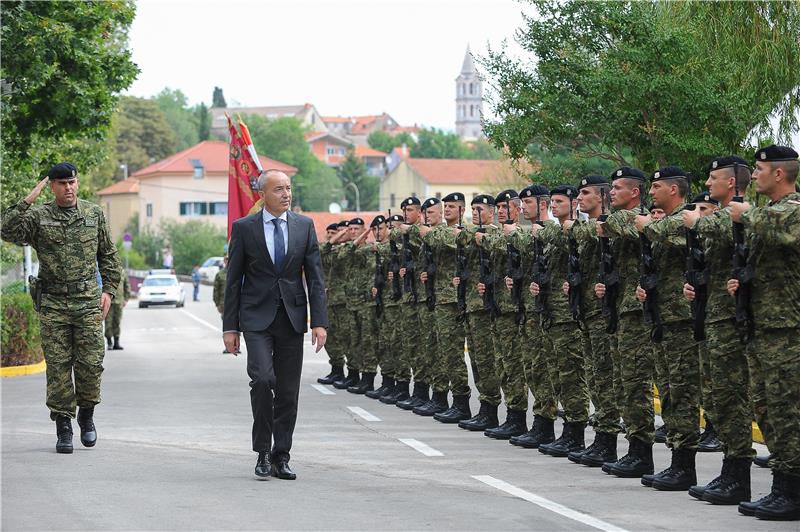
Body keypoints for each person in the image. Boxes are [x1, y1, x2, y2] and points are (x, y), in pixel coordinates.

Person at [1, 163, 122, 453]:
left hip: (87, 301)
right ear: (52, 186)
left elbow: (109, 256)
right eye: (62, 183)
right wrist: (27, 200)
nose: (68, 188)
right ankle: (63, 425)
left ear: (77, 183)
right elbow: (6, 230)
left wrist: (108, 291)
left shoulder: (93, 214)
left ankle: (87, 415)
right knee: (57, 367)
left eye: (72, 182)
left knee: (91, 364)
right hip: (53, 303)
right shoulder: (39, 217)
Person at [223, 169, 328, 480]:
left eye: (289, 188)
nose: (286, 194)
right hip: (255, 317)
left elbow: (316, 278)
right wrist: (231, 327)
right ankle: (262, 451)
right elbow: (233, 281)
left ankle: (282, 455)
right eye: (279, 189)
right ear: (263, 195)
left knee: (287, 392)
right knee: (263, 380)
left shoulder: (304, 227)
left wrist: (319, 322)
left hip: (292, 319)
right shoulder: (244, 228)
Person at [728, 145, 800, 520]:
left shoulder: (793, 211)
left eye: (758, 169)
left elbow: (787, 234)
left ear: (779, 174)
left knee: (788, 411)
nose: (753, 176)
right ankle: (782, 485)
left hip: (787, 329)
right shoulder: (764, 215)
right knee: (766, 409)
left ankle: (792, 489)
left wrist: (748, 216)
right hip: (760, 325)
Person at [635, 166, 701, 491]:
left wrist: (649, 226)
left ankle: (685, 465)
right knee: (669, 392)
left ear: (673, 190)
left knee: (682, 392)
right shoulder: (664, 224)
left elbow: (670, 231)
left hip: (682, 321)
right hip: (663, 318)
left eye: (656, 186)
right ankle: (677, 461)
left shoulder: (686, 220)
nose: (651, 193)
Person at [104, 270, 130, 350]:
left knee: (117, 322)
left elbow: (126, 286)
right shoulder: (106, 271)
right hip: (109, 302)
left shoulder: (122, 272)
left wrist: (126, 298)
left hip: (119, 301)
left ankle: (116, 342)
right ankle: (109, 342)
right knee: (108, 322)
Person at [213, 255, 229, 354]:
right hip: (224, 304)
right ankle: (228, 347)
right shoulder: (220, 274)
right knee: (227, 326)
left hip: (239, 304)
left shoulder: (238, 272)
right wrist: (217, 304)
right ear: (224, 261)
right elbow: (216, 290)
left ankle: (236, 346)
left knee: (239, 326)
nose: (228, 261)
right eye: (226, 260)